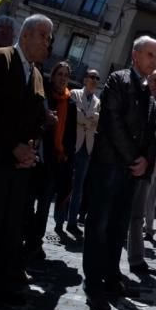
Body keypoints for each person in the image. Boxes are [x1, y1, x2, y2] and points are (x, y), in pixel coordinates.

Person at [82, 36, 156, 310]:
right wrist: (134, 158)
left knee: (118, 226)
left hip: (131, 172)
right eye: (150, 54)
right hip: (110, 165)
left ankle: (112, 276)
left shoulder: (149, 92)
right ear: (135, 54)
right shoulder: (118, 80)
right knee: (99, 224)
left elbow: (151, 133)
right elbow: (112, 122)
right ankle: (92, 281)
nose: (154, 60)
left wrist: (146, 161)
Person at [0, 14, 49, 306]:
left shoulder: (38, 74)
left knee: (11, 225)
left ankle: (5, 281)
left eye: (49, 37)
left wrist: (30, 148)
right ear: (26, 35)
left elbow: (36, 118)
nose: (47, 42)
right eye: (43, 35)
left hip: (20, 167)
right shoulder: (1, 59)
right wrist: (11, 146)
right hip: (0, 159)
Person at [26, 61, 77, 257]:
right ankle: (25, 236)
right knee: (28, 201)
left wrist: (68, 161)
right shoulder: (43, 96)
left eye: (66, 75)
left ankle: (35, 242)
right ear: (53, 76)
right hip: (38, 157)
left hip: (56, 161)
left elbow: (70, 136)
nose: (63, 78)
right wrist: (46, 123)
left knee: (45, 204)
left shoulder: (70, 103)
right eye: (60, 74)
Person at [126, 69, 156, 277]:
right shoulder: (138, 102)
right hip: (134, 165)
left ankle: (136, 259)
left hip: (149, 168)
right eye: (154, 80)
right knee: (124, 214)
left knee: (137, 216)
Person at [67, 69, 100, 236]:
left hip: (87, 148)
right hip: (73, 143)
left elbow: (98, 121)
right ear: (85, 78)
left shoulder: (98, 101)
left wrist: (86, 117)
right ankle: (60, 220)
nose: (94, 80)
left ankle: (72, 222)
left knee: (79, 187)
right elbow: (75, 116)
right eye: (92, 77)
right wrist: (90, 118)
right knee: (65, 184)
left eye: (97, 78)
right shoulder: (74, 93)